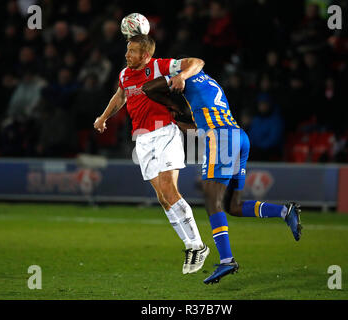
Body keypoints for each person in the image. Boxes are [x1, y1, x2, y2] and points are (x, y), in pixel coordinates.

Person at [142, 66, 302, 285]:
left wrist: (170, 97)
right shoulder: (210, 83)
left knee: (211, 199)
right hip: (238, 136)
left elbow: (148, 88)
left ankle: (227, 260)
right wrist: (177, 124)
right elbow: (202, 126)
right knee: (232, 206)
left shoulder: (185, 77)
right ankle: (285, 211)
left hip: (222, 138)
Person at [93, 35, 209, 274]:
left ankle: (198, 245)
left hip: (165, 132)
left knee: (169, 190)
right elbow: (121, 96)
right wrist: (104, 117)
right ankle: (190, 245)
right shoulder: (125, 74)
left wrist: (181, 76)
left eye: (132, 51)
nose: (127, 55)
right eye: (127, 50)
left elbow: (197, 62)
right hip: (142, 138)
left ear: (145, 55)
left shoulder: (159, 65)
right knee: (163, 198)